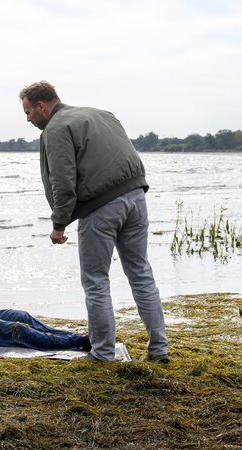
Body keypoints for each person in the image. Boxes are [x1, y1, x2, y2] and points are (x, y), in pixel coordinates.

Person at [19, 81, 168, 363]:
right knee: (140, 273)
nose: (27, 119)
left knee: (95, 281)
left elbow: (62, 180)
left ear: (41, 106)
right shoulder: (103, 114)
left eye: (27, 112)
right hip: (137, 198)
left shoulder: (56, 128)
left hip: (102, 207)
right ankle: (159, 350)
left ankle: (102, 353)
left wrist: (59, 224)